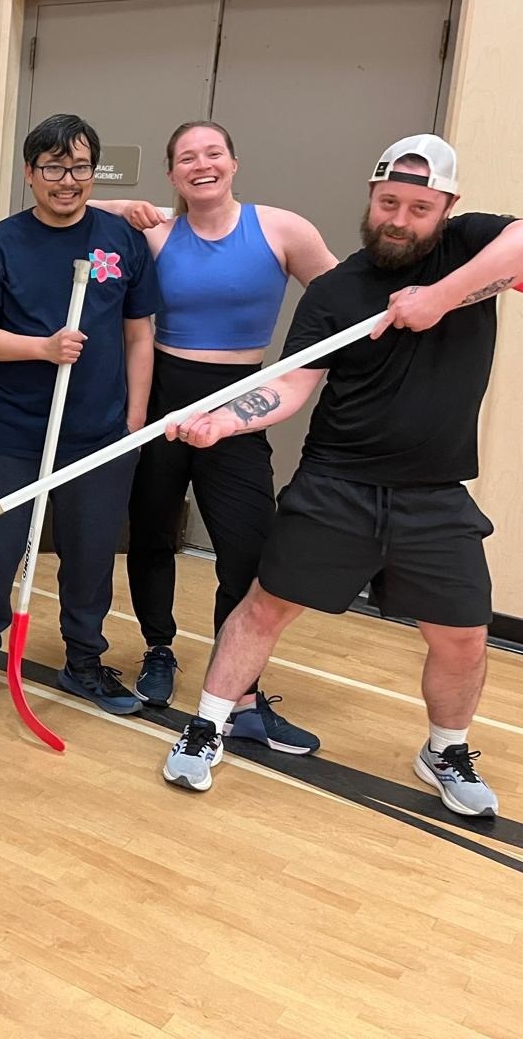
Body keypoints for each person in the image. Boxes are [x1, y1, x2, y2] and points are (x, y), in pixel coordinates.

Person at [162, 135, 522, 818]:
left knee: (463, 635)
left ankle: (445, 750)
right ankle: (209, 725)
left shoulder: (470, 251)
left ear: (447, 207)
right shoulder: (334, 291)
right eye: (389, 201)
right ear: (370, 197)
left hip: (435, 492)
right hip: (337, 484)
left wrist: (440, 299)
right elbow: (290, 387)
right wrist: (222, 422)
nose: (400, 218)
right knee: (266, 606)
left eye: (420, 207)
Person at [92, 122, 335, 752]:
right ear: (172, 174)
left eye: (213, 154)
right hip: (164, 395)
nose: (202, 165)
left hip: (242, 398)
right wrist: (120, 204)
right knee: (151, 533)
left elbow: (344, 301)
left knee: (247, 546)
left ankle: (241, 690)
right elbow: (59, 210)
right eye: (186, 159)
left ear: (234, 162)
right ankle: (158, 649)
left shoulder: (284, 229)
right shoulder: (153, 233)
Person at [0, 113, 160, 718]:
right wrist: (42, 348)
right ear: (29, 173)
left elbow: (139, 335)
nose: (67, 181)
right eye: (53, 168)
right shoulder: (1, 242)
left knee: (92, 553)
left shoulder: (120, 241)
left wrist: (135, 421)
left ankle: (84, 660)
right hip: (11, 432)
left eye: (80, 167)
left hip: (99, 432)